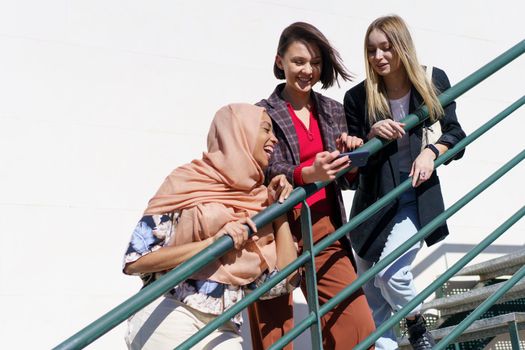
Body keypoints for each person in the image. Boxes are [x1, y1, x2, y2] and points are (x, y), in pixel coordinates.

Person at [122, 103, 300, 350]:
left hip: (223, 324)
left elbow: (286, 281)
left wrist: (277, 209)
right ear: (240, 133)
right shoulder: (186, 181)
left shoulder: (259, 199)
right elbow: (136, 260)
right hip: (169, 309)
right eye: (266, 130)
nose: (275, 140)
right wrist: (211, 244)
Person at [248, 22, 376, 350]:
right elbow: (262, 169)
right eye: (299, 62)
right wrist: (306, 174)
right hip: (275, 230)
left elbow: (348, 181)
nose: (308, 70)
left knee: (358, 325)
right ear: (280, 62)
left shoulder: (333, 110)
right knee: (276, 336)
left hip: (324, 228)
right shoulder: (260, 113)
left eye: (315, 63)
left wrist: (350, 156)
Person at [344, 15, 466, 350]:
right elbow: (352, 164)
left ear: (402, 47)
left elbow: (456, 133)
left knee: (391, 275)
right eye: (372, 50)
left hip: (415, 196)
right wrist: (369, 136)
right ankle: (395, 338)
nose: (379, 57)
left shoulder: (431, 79)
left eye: (386, 47)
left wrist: (431, 152)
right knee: (373, 299)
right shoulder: (358, 98)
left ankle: (414, 321)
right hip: (373, 204)